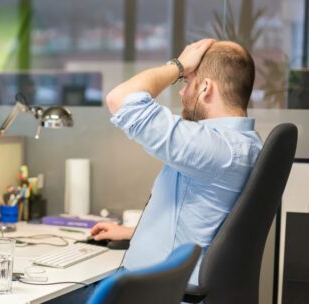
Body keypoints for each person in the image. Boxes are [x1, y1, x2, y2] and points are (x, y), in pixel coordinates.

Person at [89, 38, 262, 286]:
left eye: (187, 82)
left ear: (206, 88)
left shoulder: (216, 149)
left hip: (155, 291)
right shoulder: (246, 144)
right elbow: (209, 224)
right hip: (166, 283)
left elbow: (121, 99)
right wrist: (133, 233)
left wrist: (178, 65)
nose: (181, 91)